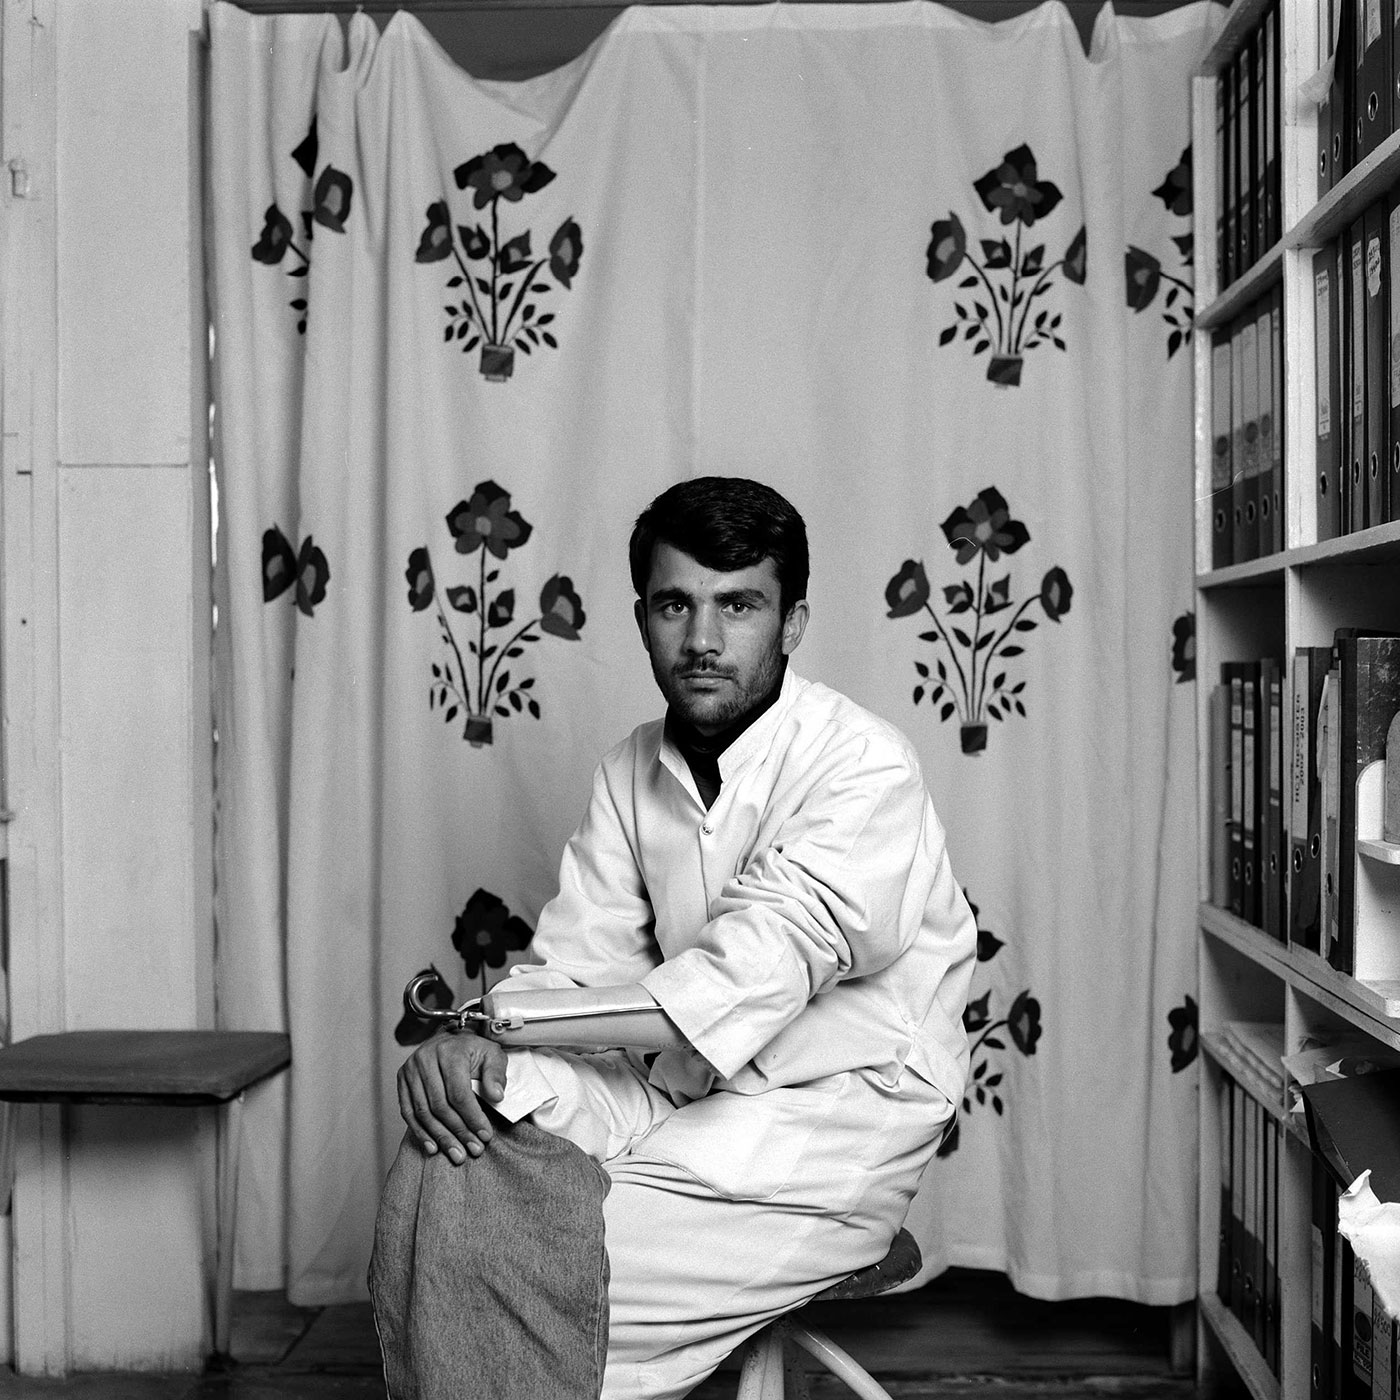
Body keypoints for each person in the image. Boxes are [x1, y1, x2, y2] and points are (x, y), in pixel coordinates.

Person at [393, 476, 976, 1400]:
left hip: (837, 1114)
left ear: (792, 623)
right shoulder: (629, 767)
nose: (702, 640)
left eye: (738, 605)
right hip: (682, 1089)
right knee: (458, 1138)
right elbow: (577, 969)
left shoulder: (863, 764)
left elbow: (752, 976)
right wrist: (472, 1048)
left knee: (527, 1274)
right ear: (642, 619)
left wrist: (489, 1019)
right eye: (676, 605)